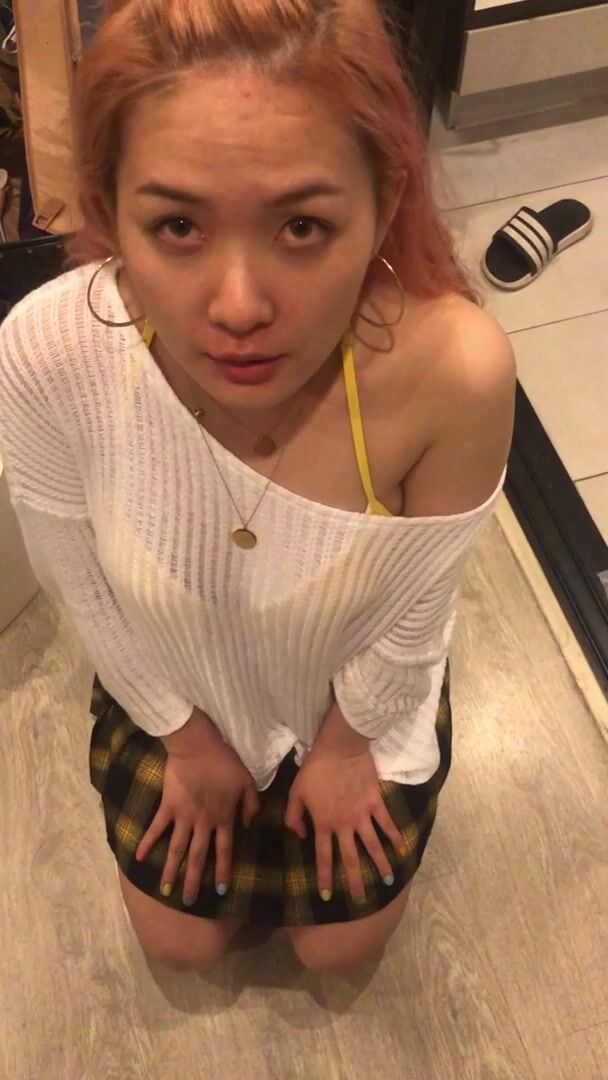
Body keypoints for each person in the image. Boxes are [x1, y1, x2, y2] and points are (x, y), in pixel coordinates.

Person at [0, 0, 516, 977]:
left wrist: (347, 748)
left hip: (350, 697)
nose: (239, 307)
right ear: (109, 210)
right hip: (180, 679)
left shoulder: (452, 371)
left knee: (340, 953)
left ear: (384, 203)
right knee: (180, 945)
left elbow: (417, 608)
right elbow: (78, 581)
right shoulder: (49, 353)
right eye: (177, 225)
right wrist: (186, 740)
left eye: (302, 225)